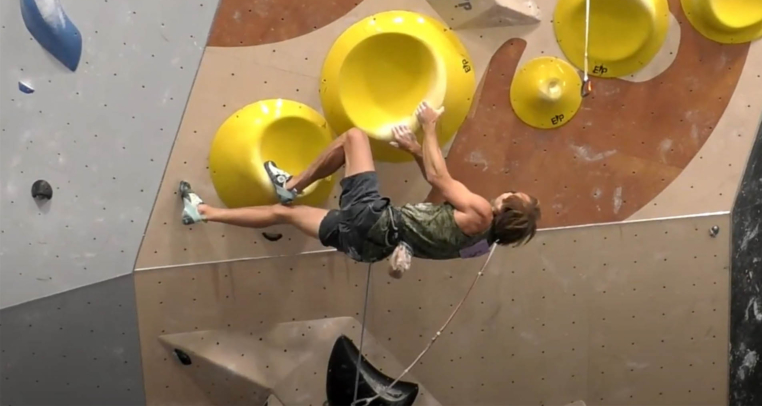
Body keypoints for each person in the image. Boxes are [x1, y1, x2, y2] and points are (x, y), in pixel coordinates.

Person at [180, 102, 541, 277]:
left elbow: (439, 179)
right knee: (284, 216)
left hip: (375, 219)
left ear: (507, 207)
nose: (506, 191)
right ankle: (203, 212)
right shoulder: (478, 246)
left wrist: (430, 127)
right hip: (367, 248)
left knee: (354, 137)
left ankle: (291, 184)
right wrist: (416, 151)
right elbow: (436, 203)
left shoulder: (480, 211)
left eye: (512, 194)